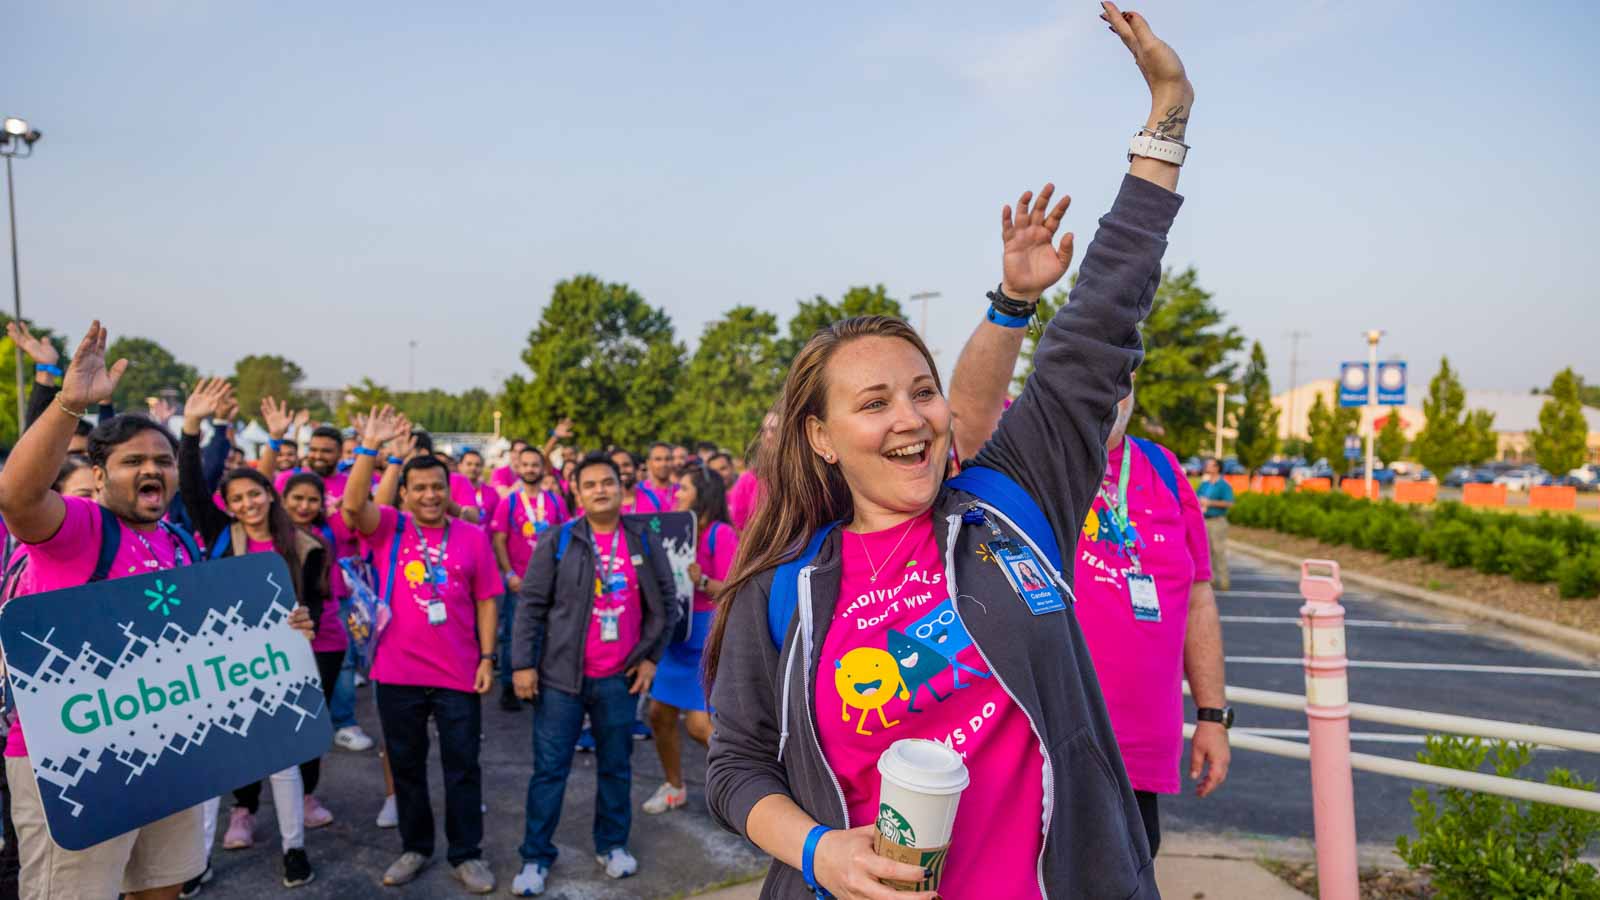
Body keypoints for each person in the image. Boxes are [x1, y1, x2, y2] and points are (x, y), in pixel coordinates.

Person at [703, 8, 1190, 896]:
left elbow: (1097, 330)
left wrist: (1166, 120)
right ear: (820, 437)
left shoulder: (1013, 505)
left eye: (922, 392)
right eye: (875, 402)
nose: (911, 419)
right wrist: (820, 851)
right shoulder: (783, 586)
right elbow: (736, 767)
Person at [0, 321, 306, 900]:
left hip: (167, 746)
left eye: (163, 461)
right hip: (69, 758)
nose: (153, 470)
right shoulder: (80, 528)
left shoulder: (179, 542)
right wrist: (67, 401)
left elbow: (205, 643)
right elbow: (17, 496)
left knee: (162, 887)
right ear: (97, 475)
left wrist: (278, 635)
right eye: (132, 461)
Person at [952, 370, 1232, 856]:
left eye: (1121, 378)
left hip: (1137, 756)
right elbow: (968, 415)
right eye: (1094, 374)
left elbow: (1198, 597)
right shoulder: (1033, 458)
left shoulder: (1164, 468)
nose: (1109, 391)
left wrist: (1213, 714)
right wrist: (1012, 308)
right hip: (1041, 751)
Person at [341, 406, 500, 894]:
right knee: (406, 765)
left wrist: (488, 658)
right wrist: (371, 449)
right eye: (421, 488)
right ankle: (415, 847)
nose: (431, 495)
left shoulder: (472, 536)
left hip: (458, 673)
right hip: (396, 671)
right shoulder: (388, 526)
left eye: (438, 487)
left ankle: (466, 854)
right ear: (405, 494)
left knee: (462, 766)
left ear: (448, 491)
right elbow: (352, 509)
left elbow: (488, 599)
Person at [508, 453, 680, 896]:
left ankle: (612, 845)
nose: (601, 489)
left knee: (616, 768)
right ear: (577, 494)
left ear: (623, 489)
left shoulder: (642, 540)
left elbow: (666, 602)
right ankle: (535, 856)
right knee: (549, 771)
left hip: (619, 679)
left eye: (609, 482)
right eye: (591, 484)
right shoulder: (558, 540)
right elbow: (530, 605)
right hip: (560, 680)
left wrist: (650, 659)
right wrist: (523, 664)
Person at [178, 379, 325, 889]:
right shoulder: (221, 535)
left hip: (281, 665)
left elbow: (318, 609)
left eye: (254, 493)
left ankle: (294, 851)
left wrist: (306, 625)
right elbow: (192, 486)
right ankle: (195, 865)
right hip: (220, 665)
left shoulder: (303, 545)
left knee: (284, 765)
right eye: (236, 498)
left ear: (270, 492)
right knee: (215, 771)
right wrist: (192, 428)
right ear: (229, 505)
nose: (247, 503)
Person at [643, 464, 737, 815]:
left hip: (705, 635)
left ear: (703, 494)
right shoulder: (671, 529)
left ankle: (748, 789)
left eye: (683, 488)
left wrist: (702, 581)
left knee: (700, 726)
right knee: (658, 714)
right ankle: (674, 786)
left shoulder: (720, 534)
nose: (675, 493)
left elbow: (733, 589)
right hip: (675, 633)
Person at [489, 446, 570, 712]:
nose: (531, 470)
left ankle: (539, 684)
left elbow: (566, 536)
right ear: (518, 468)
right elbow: (499, 540)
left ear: (543, 468)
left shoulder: (556, 502)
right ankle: (509, 687)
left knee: (548, 634)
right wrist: (509, 573)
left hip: (553, 581)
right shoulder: (509, 502)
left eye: (536, 465)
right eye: (525, 465)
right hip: (520, 581)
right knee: (515, 633)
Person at [727, 413, 776, 531]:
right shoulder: (749, 479)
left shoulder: (805, 474)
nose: (768, 436)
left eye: (774, 430)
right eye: (764, 430)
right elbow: (738, 526)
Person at [1195, 458, 1233, 592]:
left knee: (1218, 550)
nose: (1207, 466)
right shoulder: (1204, 484)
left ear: (1217, 468)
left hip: (1217, 520)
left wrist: (1210, 503)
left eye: (1210, 464)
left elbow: (1229, 503)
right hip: (1203, 520)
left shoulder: (1223, 485)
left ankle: (1223, 581)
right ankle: (1209, 581)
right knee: (1206, 551)